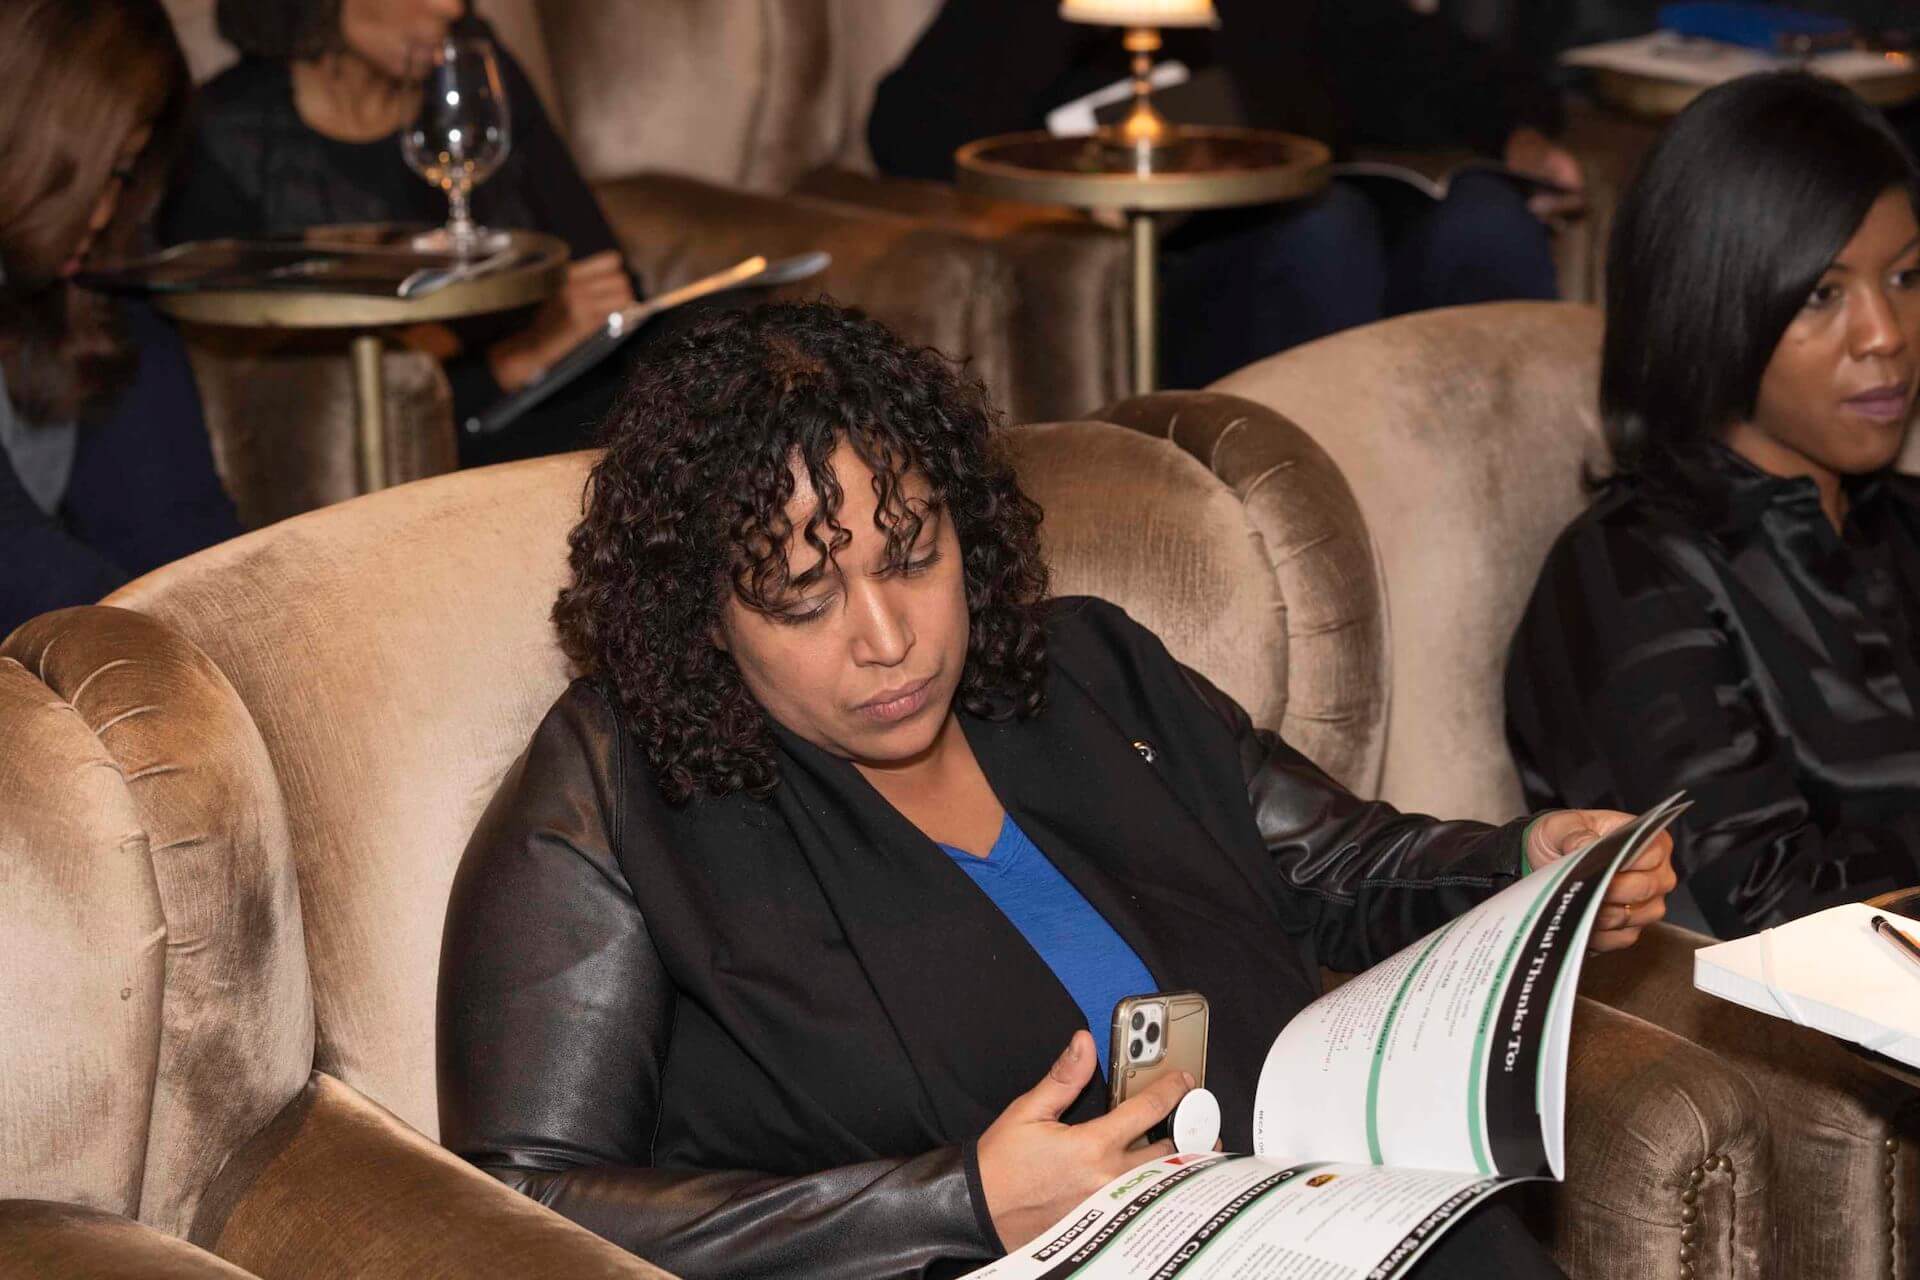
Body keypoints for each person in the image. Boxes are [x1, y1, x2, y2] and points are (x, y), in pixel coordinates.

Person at [437, 300, 1675, 1278]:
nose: (889, 635)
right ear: (701, 615)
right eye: (802, 598)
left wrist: (1525, 865)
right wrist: (957, 1199)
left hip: (1304, 1217)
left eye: (914, 553)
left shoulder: (1086, 668)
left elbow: (1323, 861)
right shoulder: (611, 788)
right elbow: (518, 1204)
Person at [1506, 72, 1920, 939]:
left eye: (1907, 277)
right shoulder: (1628, 572)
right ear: (1712, 303)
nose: (1886, 334)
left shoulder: (1900, 526)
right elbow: (1756, 911)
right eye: (1823, 294)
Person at [869, 0, 1586, 388]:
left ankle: (1526, 507)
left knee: (1489, 219)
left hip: (1330, 243)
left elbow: (1426, 64)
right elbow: (907, 133)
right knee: (1324, 229)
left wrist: (1520, 135)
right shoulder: (1034, 23)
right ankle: (1337, 500)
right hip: (1174, 283)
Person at [162, 0, 639, 467]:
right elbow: (269, 407)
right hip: (406, 458)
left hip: (567, 398)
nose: (450, 7)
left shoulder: (477, 73)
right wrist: (513, 360)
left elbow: (610, 283)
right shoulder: (224, 135)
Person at [0, 0, 242, 638]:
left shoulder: (85, 291)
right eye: (99, 173)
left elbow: (184, 540)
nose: (105, 212)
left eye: (122, 176)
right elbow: (15, 557)